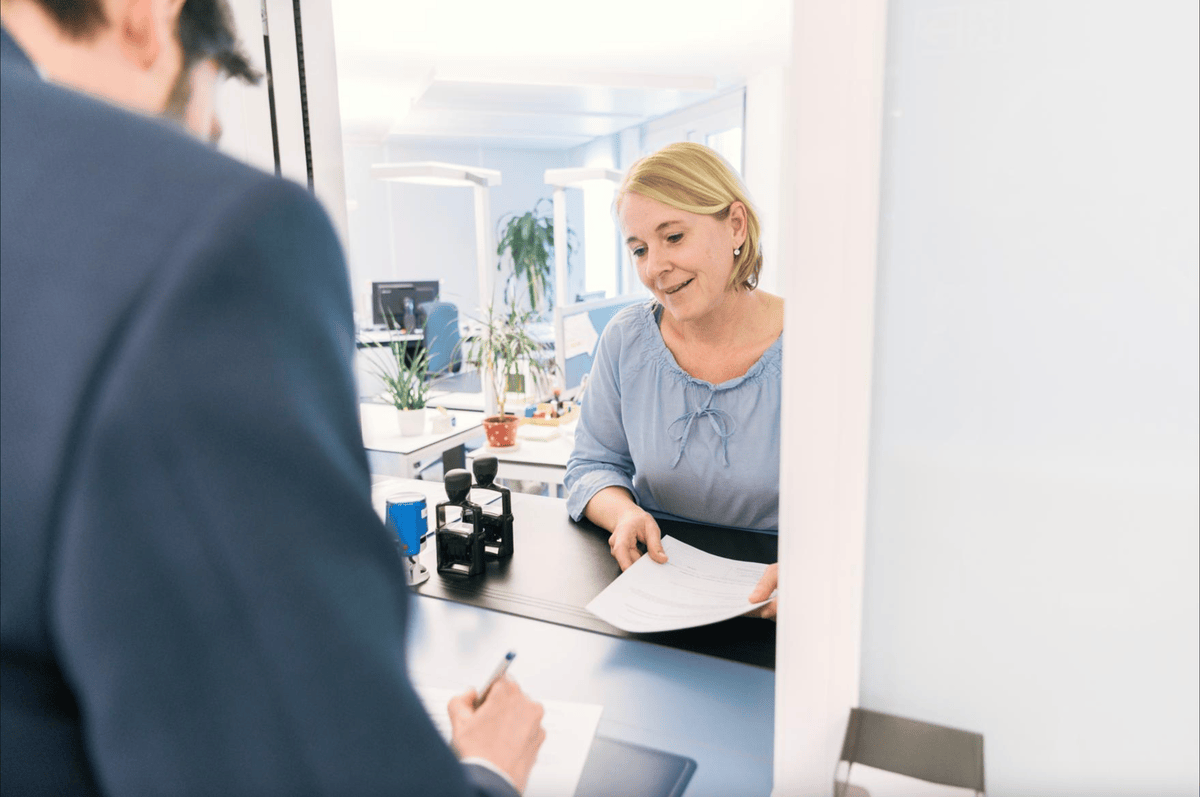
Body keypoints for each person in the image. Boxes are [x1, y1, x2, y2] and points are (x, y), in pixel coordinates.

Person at [0, 1, 545, 794]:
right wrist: (489, 770)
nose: (189, 157)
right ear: (147, 19)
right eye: (202, 124)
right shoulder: (200, 242)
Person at [564, 142, 781, 619]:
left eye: (674, 237)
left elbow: (867, 501)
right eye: (639, 249)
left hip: (778, 612)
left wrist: (821, 567)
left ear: (736, 226)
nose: (654, 268)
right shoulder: (625, 339)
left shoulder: (816, 345)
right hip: (655, 597)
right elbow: (591, 467)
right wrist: (623, 513)